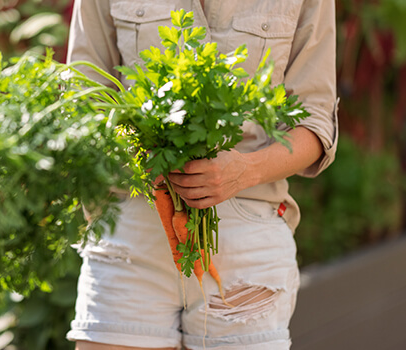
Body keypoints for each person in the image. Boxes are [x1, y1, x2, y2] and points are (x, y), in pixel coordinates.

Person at [65, 0, 338, 349]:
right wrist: (136, 150)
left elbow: (314, 125)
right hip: (133, 224)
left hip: (247, 236)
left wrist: (244, 170)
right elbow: (83, 98)